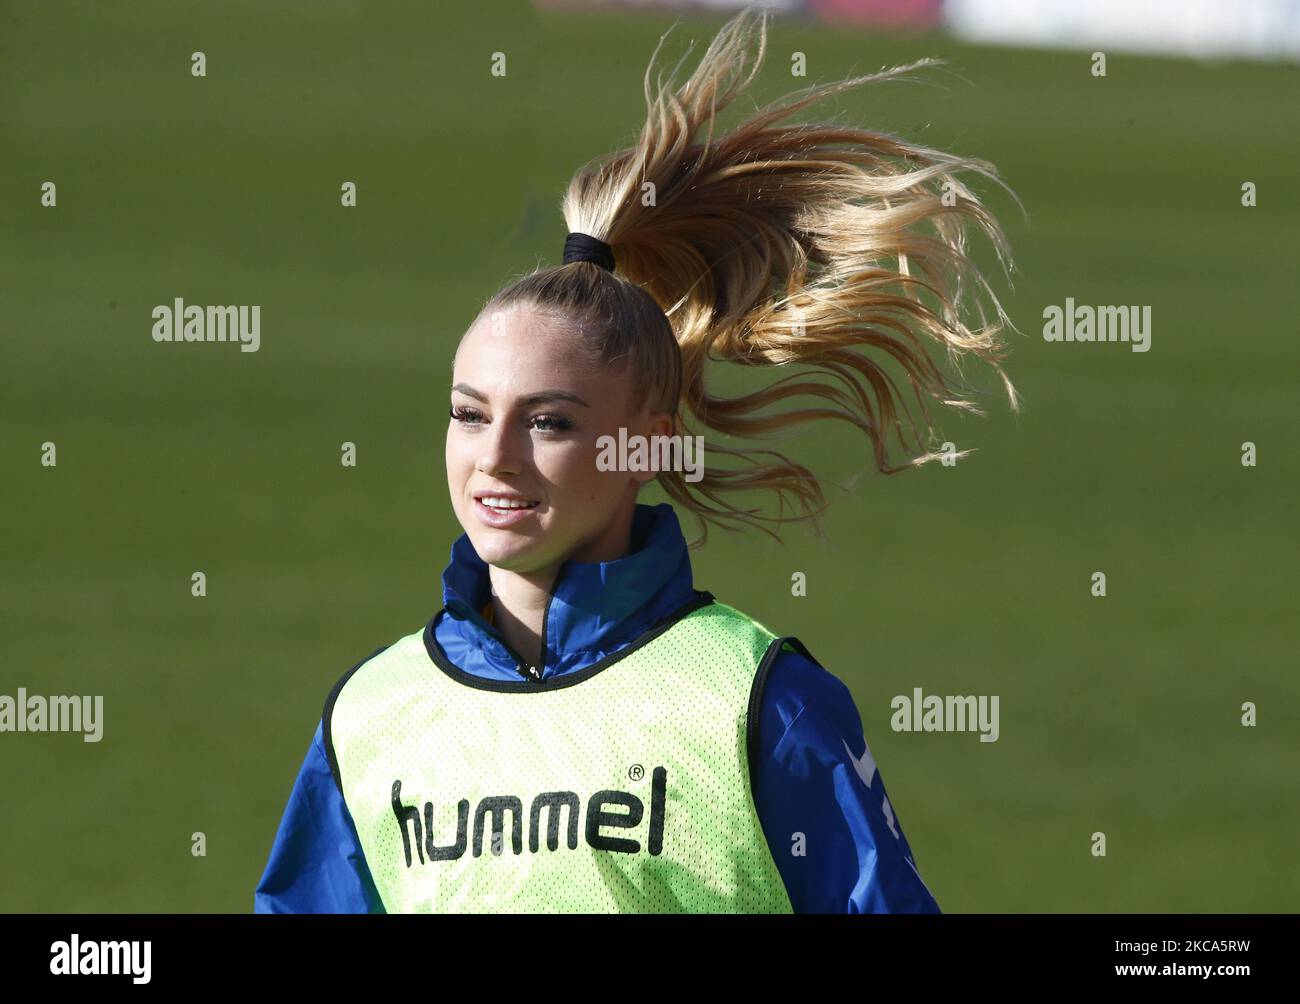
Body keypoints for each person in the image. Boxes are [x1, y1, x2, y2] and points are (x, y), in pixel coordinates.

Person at [255, 5, 1017, 914]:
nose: (493, 459)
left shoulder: (754, 702)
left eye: (549, 423)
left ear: (644, 442)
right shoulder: (371, 716)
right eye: (468, 414)